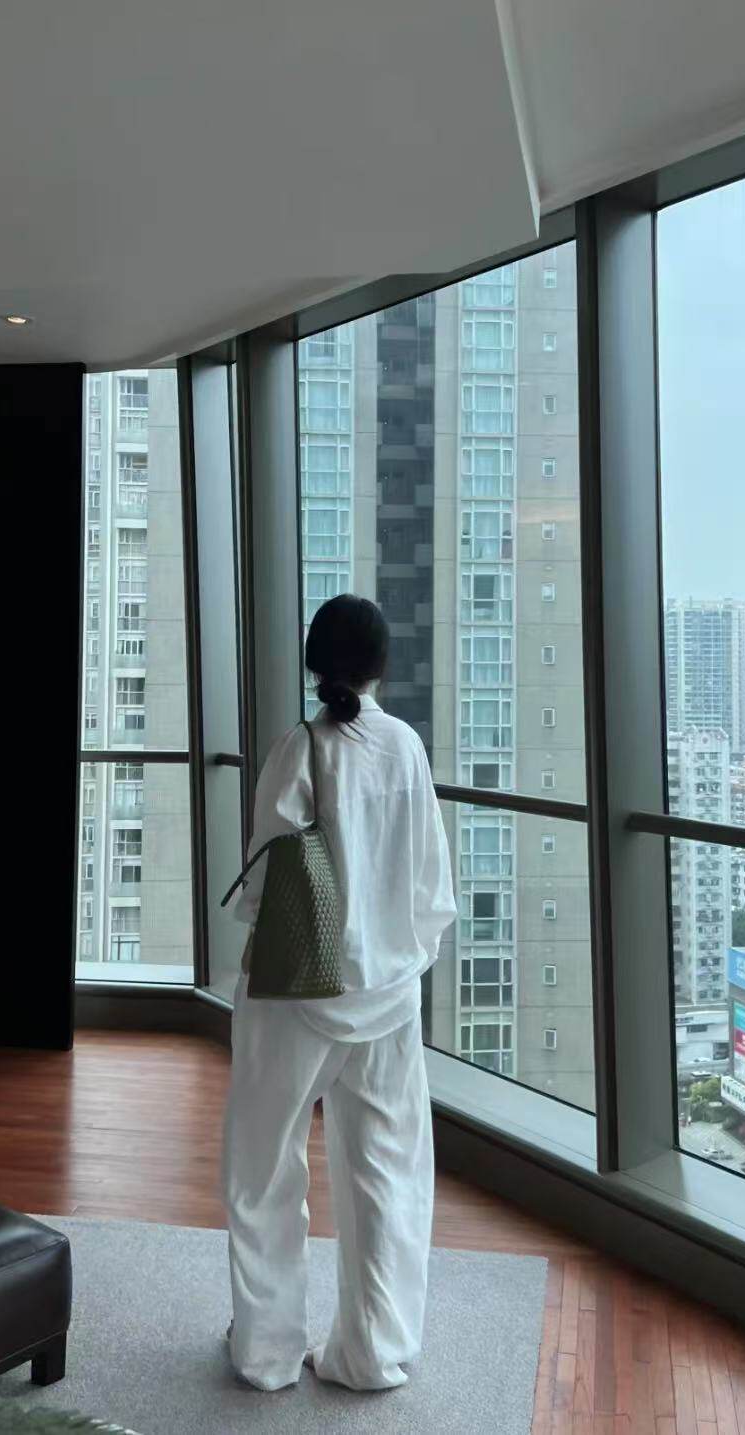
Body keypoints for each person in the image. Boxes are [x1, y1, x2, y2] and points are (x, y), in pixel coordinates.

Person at [222, 594, 457, 1394]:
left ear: (315, 661)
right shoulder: (406, 746)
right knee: (384, 1171)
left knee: (264, 1168)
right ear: (381, 665)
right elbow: (429, 883)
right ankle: (371, 1351)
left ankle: (265, 1351)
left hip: (296, 994)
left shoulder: (301, 747)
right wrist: (399, 958)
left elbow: (264, 884)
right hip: (388, 996)